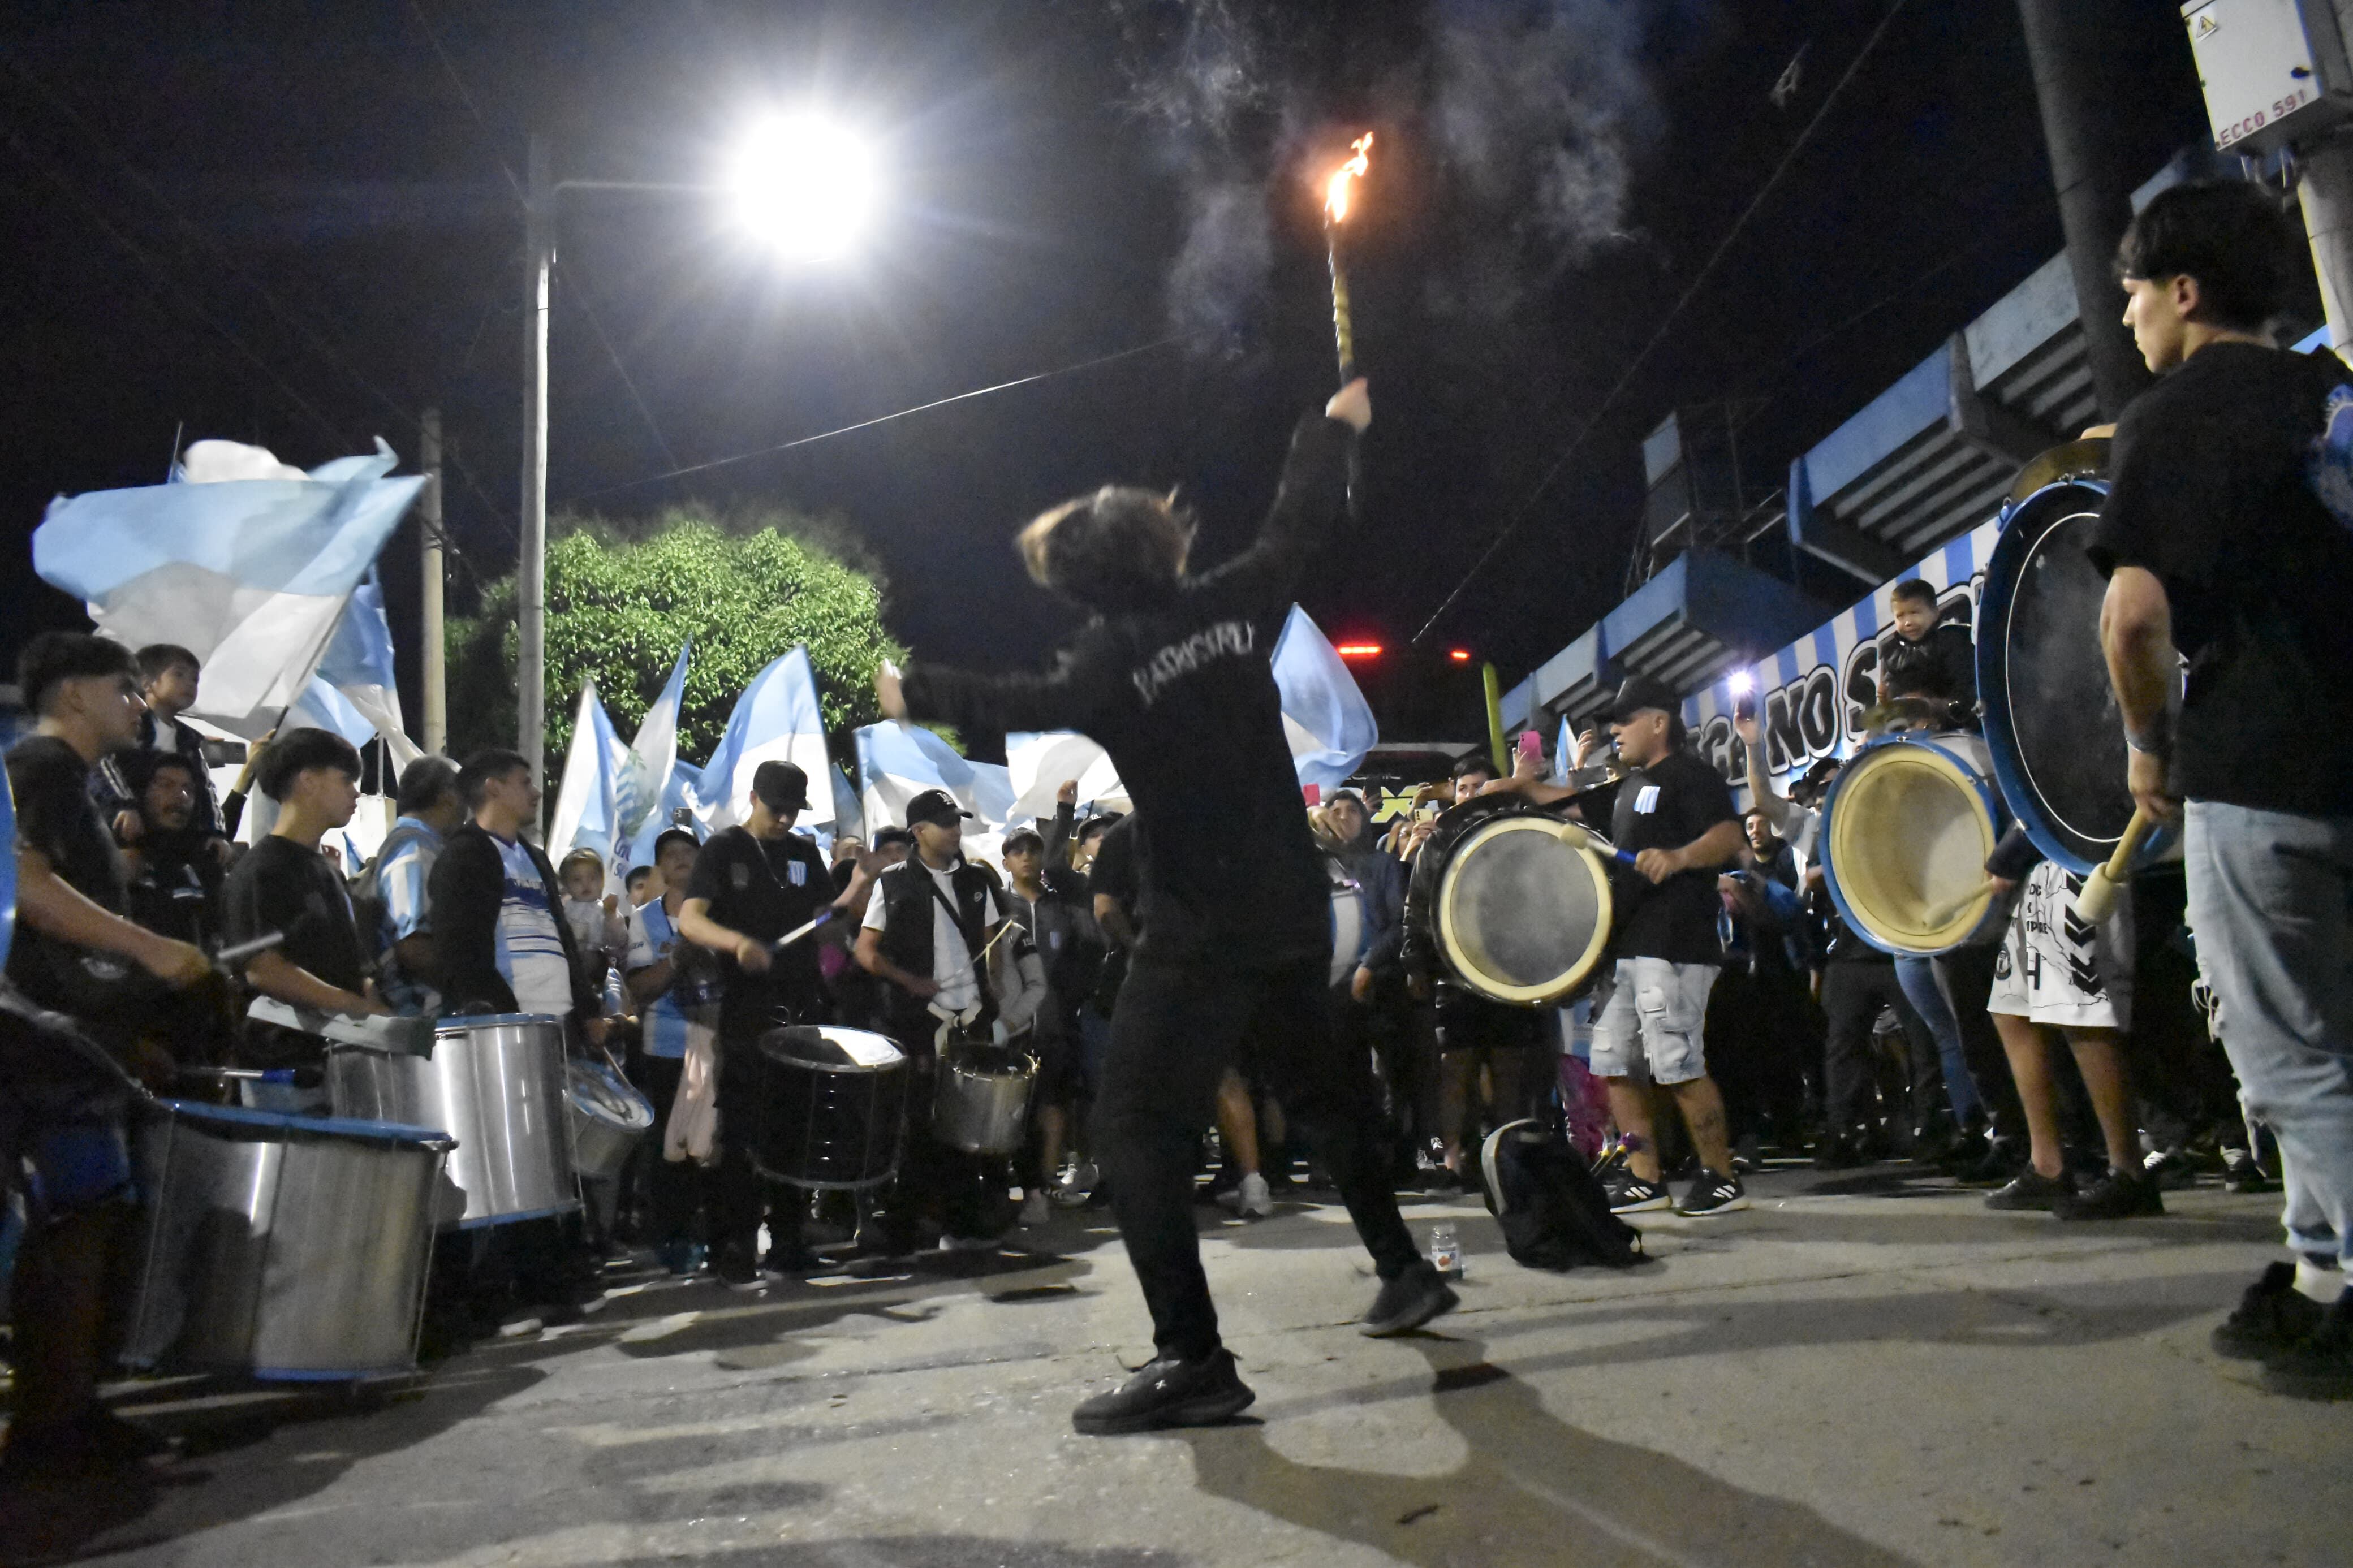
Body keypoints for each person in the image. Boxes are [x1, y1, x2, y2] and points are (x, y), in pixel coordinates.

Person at [880, 378, 1448, 1437]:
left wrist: (917, 688)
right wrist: (1329, 423)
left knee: (1131, 1125)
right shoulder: (1236, 600)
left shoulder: (1105, 660)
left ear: (1083, 583)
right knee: (1325, 1096)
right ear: (1162, 549)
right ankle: (1406, 1269)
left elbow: (1014, 704)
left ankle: (1193, 1357)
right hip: (1289, 908)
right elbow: (1298, 517)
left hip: (1200, 926)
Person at [2088, 180, 2353, 1396]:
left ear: (2184, 293)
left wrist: (2147, 744)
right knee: (2333, 1048)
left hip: (2260, 769)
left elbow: (2132, 616)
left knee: (2288, 1057)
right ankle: (2317, 1278)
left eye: (2135, 292)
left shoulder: (2172, 414)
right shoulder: (2331, 392)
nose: (2129, 315)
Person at [3, 632, 213, 1476]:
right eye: (123, 687)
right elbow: (21, 883)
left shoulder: (72, 780)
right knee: (78, 1214)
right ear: (73, 694)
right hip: (41, 1036)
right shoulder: (40, 769)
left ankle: (69, 1411)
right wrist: (151, 950)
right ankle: (51, 1425)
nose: (138, 702)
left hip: (80, 1034)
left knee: (97, 1212)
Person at [1489, 674, 1748, 1215]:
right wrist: (1518, 787)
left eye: (1626, 720)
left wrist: (1678, 857)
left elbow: (1729, 835)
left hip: (1675, 944)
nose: (1615, 730)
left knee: (1677, 1061)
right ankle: (1644, 1176)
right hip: (1631, 949)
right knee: (1613, 1063)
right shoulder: (1629, 787)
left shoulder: (1690, 775)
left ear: (1660, 722)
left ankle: (1721, 1176)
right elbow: (1573, 804)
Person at [676, 760, 876, 1286]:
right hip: (747, 1009)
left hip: (802, 1003)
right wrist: (737, 943)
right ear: (754, 797)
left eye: (793, 809)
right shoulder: (724, 850)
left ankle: (788, 1238)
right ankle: (734, 1242)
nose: (785, 818)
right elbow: (691, 918)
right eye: (777, 807)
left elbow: (824, 921)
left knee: (796, 1124)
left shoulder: (803, 851)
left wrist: (859, 886)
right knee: (743, 1126)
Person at [855, 788, 1018, 1249]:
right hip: (919, 1020)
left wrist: (991, 996)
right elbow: (866, 952)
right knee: (919, 1124)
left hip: (970, 1019)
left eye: (957, 821)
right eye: (945, 822)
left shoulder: (976, 882)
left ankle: (961, 1221)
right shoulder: (891, 883)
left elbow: (992, 945)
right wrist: (907, 980)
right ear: (918, 830)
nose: (955, 829)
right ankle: (908, 1221)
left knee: (968, 1124)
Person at [1975, 828, 2154, 1217]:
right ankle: (2048, 1166)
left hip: (2081, 853)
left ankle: (2129, 1171)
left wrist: (2011, 852)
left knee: (2080, 1009)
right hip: (2042, 860)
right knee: (2012, 1008)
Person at [220, 728, 389, 1109]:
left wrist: (381, 1017)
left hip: (340, 1066)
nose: (356, 793)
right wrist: (355, 1007)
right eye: (346, 780)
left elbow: (351, 963)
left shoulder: (327, 871)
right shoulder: (260, 871)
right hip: (285, 1076)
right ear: (308, 781)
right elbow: (264, 970)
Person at [622, 828, 719, 1274]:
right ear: (659, 868)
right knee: (670, 1147)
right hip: (664, 1047)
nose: (681, 859)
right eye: (671, 855)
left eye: (689, 852)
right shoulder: (643, 919)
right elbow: (638, 988)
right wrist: (677, 959)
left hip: (717, 1044)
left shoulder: (723, 913)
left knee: (715, 1146)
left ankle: (718, 1236)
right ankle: (674, 1239)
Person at [1002, 821, 1092, 1226]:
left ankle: (1041, 1186)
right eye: (1017, 850)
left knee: (1053, 1105)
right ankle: (1015, 1187)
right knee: (1013, 1109)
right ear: (1005, 859)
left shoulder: (1061, 907)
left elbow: (1081, 958)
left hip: (1056, 1025)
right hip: (1012, 1028)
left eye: (1033, 850)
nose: (1026, 856)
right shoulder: (997, 908)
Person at [90, 643, 243, 853]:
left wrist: (215, 832)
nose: (189, 684)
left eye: (195, 679)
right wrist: (123, 805)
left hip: (168, 840)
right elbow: (104, 765)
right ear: (147, 683)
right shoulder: (130, 727)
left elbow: (204, 788)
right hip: (122, 829)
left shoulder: (190, 740)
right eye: (179, 675)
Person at [352, 755, 466, 1016]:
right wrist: (471, 986)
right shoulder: (414, 849)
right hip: (421, 1017)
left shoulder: (422, 846)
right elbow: (414, 947)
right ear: (448, 796)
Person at [1876, 578, 1976, 727]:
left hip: (1957, 729)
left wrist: (1932, 706)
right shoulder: (1893, 656)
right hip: (1916, 736)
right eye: (1900, 616)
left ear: (1935, 613)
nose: (1907, 622)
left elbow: (1965, 692)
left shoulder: (1953, 639)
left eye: (1914, 612)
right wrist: (1885, 700)